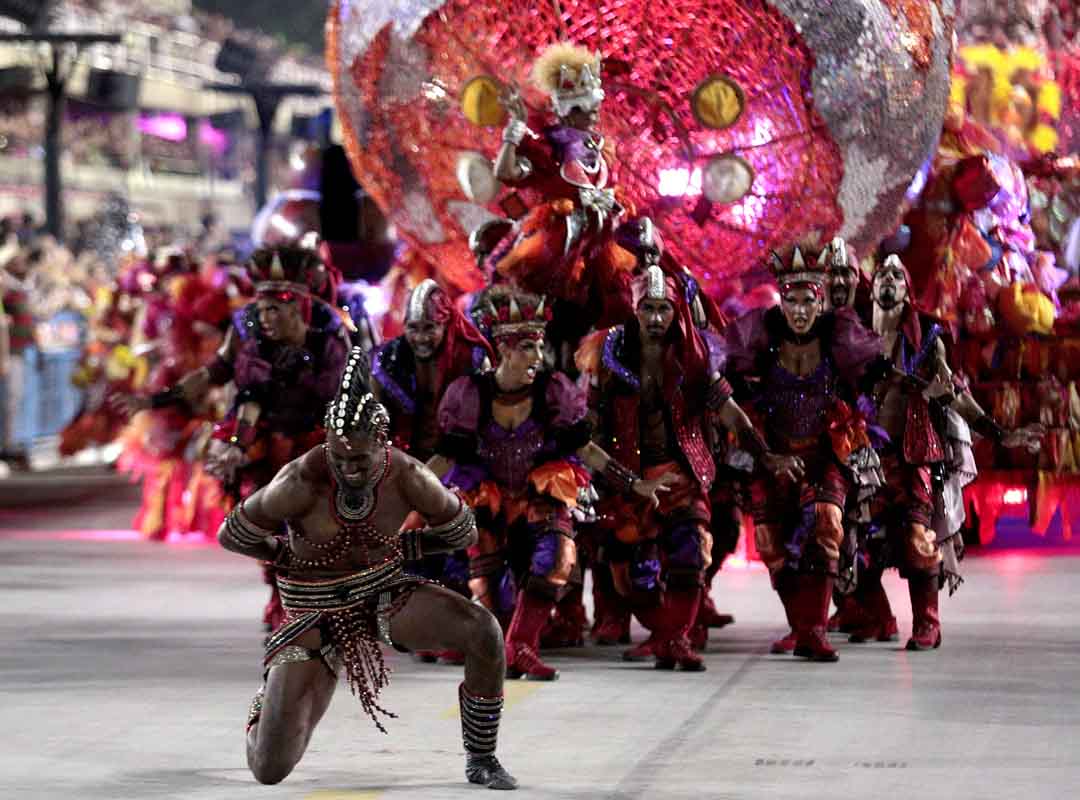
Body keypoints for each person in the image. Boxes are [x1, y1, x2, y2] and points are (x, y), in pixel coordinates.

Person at [218, 346, 517, 790]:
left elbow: (462, 533)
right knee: (269, 770)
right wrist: (283, 554)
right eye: (339, 458)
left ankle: (482, 757)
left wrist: (407, 547)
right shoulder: (299, 480)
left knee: (484, 632)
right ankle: (269, 700)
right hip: (313, 611)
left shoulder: (411, 477)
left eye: (359, 459)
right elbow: (233, 534)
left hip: (383, 594)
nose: (347, 469)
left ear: (384, 444)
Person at [431, 286, 669, 680]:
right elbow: (446, 457)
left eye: (539, 346)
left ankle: (521, 647)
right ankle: (493, 643)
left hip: (539, 493)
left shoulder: (552, 390)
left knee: (558, 556)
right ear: (504, 349)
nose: (537, 357)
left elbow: (587, 450)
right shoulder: (469, 393)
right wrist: (404, 485)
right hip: (488, 497)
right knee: (491, 587)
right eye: (527, 347)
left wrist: (633, 484)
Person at [114, 245, 349, 631]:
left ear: (300, 305)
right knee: (266, 523)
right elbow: (215, 373)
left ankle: (319, 602)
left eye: (278, 307)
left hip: (316, 440)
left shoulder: (330, 331)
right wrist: (153, 400)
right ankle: (282, 596)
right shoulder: (246, 325)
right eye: (262, 305)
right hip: (263, 439)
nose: (266, 316)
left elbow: (342, 392)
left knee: (318, 528)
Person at [577, 251, 767, 671]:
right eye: (649, 308)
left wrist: (764, 454)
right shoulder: (607, 354)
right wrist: (623, 480)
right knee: (629, 573)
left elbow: (728, 408)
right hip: (625, 479)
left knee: (691, 550)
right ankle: (662, 633)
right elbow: (588, 429)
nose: (657, 317)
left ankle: (676, 638)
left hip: (681, 472)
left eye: (665, 308)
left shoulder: (693, 354)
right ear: (635, 307)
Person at [854, 254, 1042, 650]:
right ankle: (880, 616)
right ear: (871, 287)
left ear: (907, 290)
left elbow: (954, 394)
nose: (888, 282)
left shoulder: (924, 339)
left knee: (919, 538)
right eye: (882, 276)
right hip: (865, 456)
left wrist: (1000, 434)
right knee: (860, 541)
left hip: (914, 456)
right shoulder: (854, 337)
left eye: (897, 277)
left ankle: (927, 623)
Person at [725, 242, 887, 662]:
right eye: (792, 301)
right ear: (782, 300)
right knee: (770, 543)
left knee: (825, 524)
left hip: (822, 454)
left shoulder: (839, 334)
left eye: (808, 302)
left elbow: (873, 376)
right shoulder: (761, 331)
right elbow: (732, 381)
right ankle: (801, 627)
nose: (799, 311)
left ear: (820, 302)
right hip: (772, 454)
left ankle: (814, 629)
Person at [489, 42, 637, 365]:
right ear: (569, 110)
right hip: (559, 259)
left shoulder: (602, 149)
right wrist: (514, 129)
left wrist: (612, 203)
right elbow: (506, 172)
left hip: (602, 254)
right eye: (588, 108)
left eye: (596, 106)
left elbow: (614, 195)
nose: (596, 113)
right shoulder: (548, 151)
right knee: (559, 336)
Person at [372, 278, 494, 663]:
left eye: (430, 328)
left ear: (446, 324)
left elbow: (476, 429)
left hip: (464, 464)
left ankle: (456, 631)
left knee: (454, 548)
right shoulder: (388, 359)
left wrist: (428, 478)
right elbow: (376, 423)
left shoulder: (473, 358)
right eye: (413, 327)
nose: (420, 337)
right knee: (406, 551)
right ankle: (416, 628)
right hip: (405, 465)